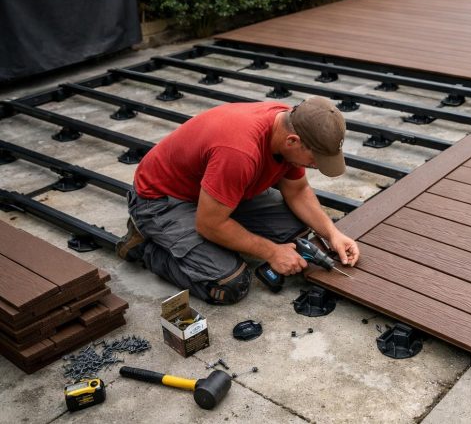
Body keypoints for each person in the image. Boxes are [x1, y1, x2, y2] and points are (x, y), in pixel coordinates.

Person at [115, 96, 360, 305]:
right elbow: (209, 225)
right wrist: (272, 252)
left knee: (295, 232)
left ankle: (220, 223)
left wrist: (332, 233)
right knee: (230, 283)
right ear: (292, 142)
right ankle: (146, 245)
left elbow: (297, 191)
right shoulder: (239, 152)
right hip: (162, 200)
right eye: (315, 160)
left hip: (219, 191)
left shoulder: (290, 123)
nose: (316, 166)